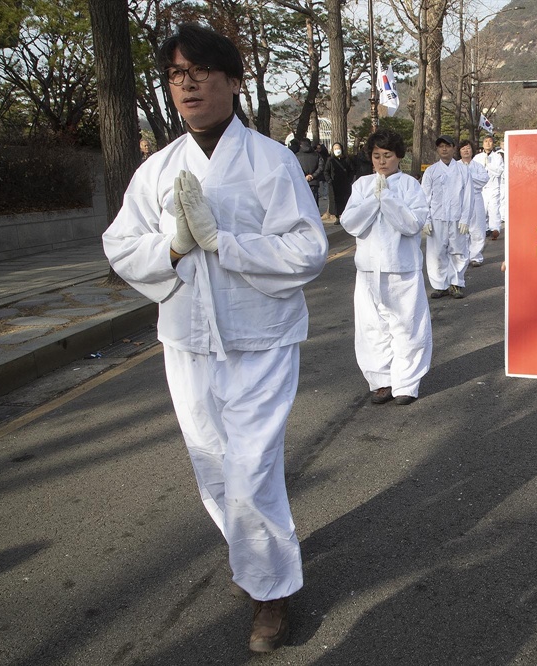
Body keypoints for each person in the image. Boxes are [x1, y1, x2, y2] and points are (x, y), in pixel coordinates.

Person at [101, 23, 328, 654]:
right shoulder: (158, 170)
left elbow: (309, 249)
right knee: (211, 464)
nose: (188, 83)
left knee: (251, 470)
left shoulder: (269, 160)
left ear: (232, 81)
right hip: (187, 340)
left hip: (259, 337)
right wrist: (171, 246)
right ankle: (255, 560)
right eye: (176, 74)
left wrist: (225, 242)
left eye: (201, 71)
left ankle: (271, 592)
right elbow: (119, 244)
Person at [340, 129, 432, 406]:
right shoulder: (362, 185)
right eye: (376, 156)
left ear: (399, 157)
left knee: (407, 326)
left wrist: (388, 199)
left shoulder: (410, 186)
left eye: (387, 156)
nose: (381, 161)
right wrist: (373, 199)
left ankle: (406, 382)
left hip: (402, 268)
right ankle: (381, 381)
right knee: (372, 327)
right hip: (368, 269)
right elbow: (350, 223)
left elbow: (411, 224)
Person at [421, 135, 471, 299]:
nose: (444, 149)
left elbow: (467, 196)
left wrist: (465, 218)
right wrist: (426, 219)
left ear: (453, 148)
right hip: (437, 217)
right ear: (437, 149)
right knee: (437, 252)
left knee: (458, 251)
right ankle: (440, 285)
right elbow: (425, 197)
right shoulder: (431, 171)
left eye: (447, 146)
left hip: (457, 217)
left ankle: (455, 283)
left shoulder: (463, 170)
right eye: (441, 146)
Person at [457, 140, 489, 267]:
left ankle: (475, 256)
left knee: (478, 228)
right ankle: (462, 255)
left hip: (476, 198)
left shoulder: (478, 166)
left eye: (468, 148)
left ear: (472, 150)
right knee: (461, 228)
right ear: (459, 151)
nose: (466, 150)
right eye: (463, 148)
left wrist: (467, 178)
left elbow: (484, 180)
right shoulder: (455, 166)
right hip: (460, 199)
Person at [472, 135, 503, 240]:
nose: (488, 143)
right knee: (482, 209)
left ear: (493, 144)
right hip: (482, 188)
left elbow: (499, 171)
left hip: (494, 187)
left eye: (490, 141)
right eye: (485, 141)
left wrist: (488, 165)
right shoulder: (477, 157)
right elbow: (473, 172)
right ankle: (484, 229)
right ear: (483, 143)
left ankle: (495, 229)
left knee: (494, 208)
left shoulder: (497, 157)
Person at [324, 141, 354, 224]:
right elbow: (326, 171)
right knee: (335, 201)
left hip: (345, 184)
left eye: (338, 148)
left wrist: (349, 180)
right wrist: (329, 180)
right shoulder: (330, 160)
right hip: (334, 184)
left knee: (345, 200)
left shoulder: (346, 159)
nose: (337, 150)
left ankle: (345, 216)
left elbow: (351, 170)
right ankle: (337, 217)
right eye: (335, 149)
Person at [295, 137, 324, 203]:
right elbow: (321, 167)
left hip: (301, 182)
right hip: (314, 182)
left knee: (303, 203)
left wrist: (304, 176)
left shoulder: (296, 156)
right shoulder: (317, 155)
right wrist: (312, 176)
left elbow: (295, 168)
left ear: (300, 145)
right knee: (314, 202)